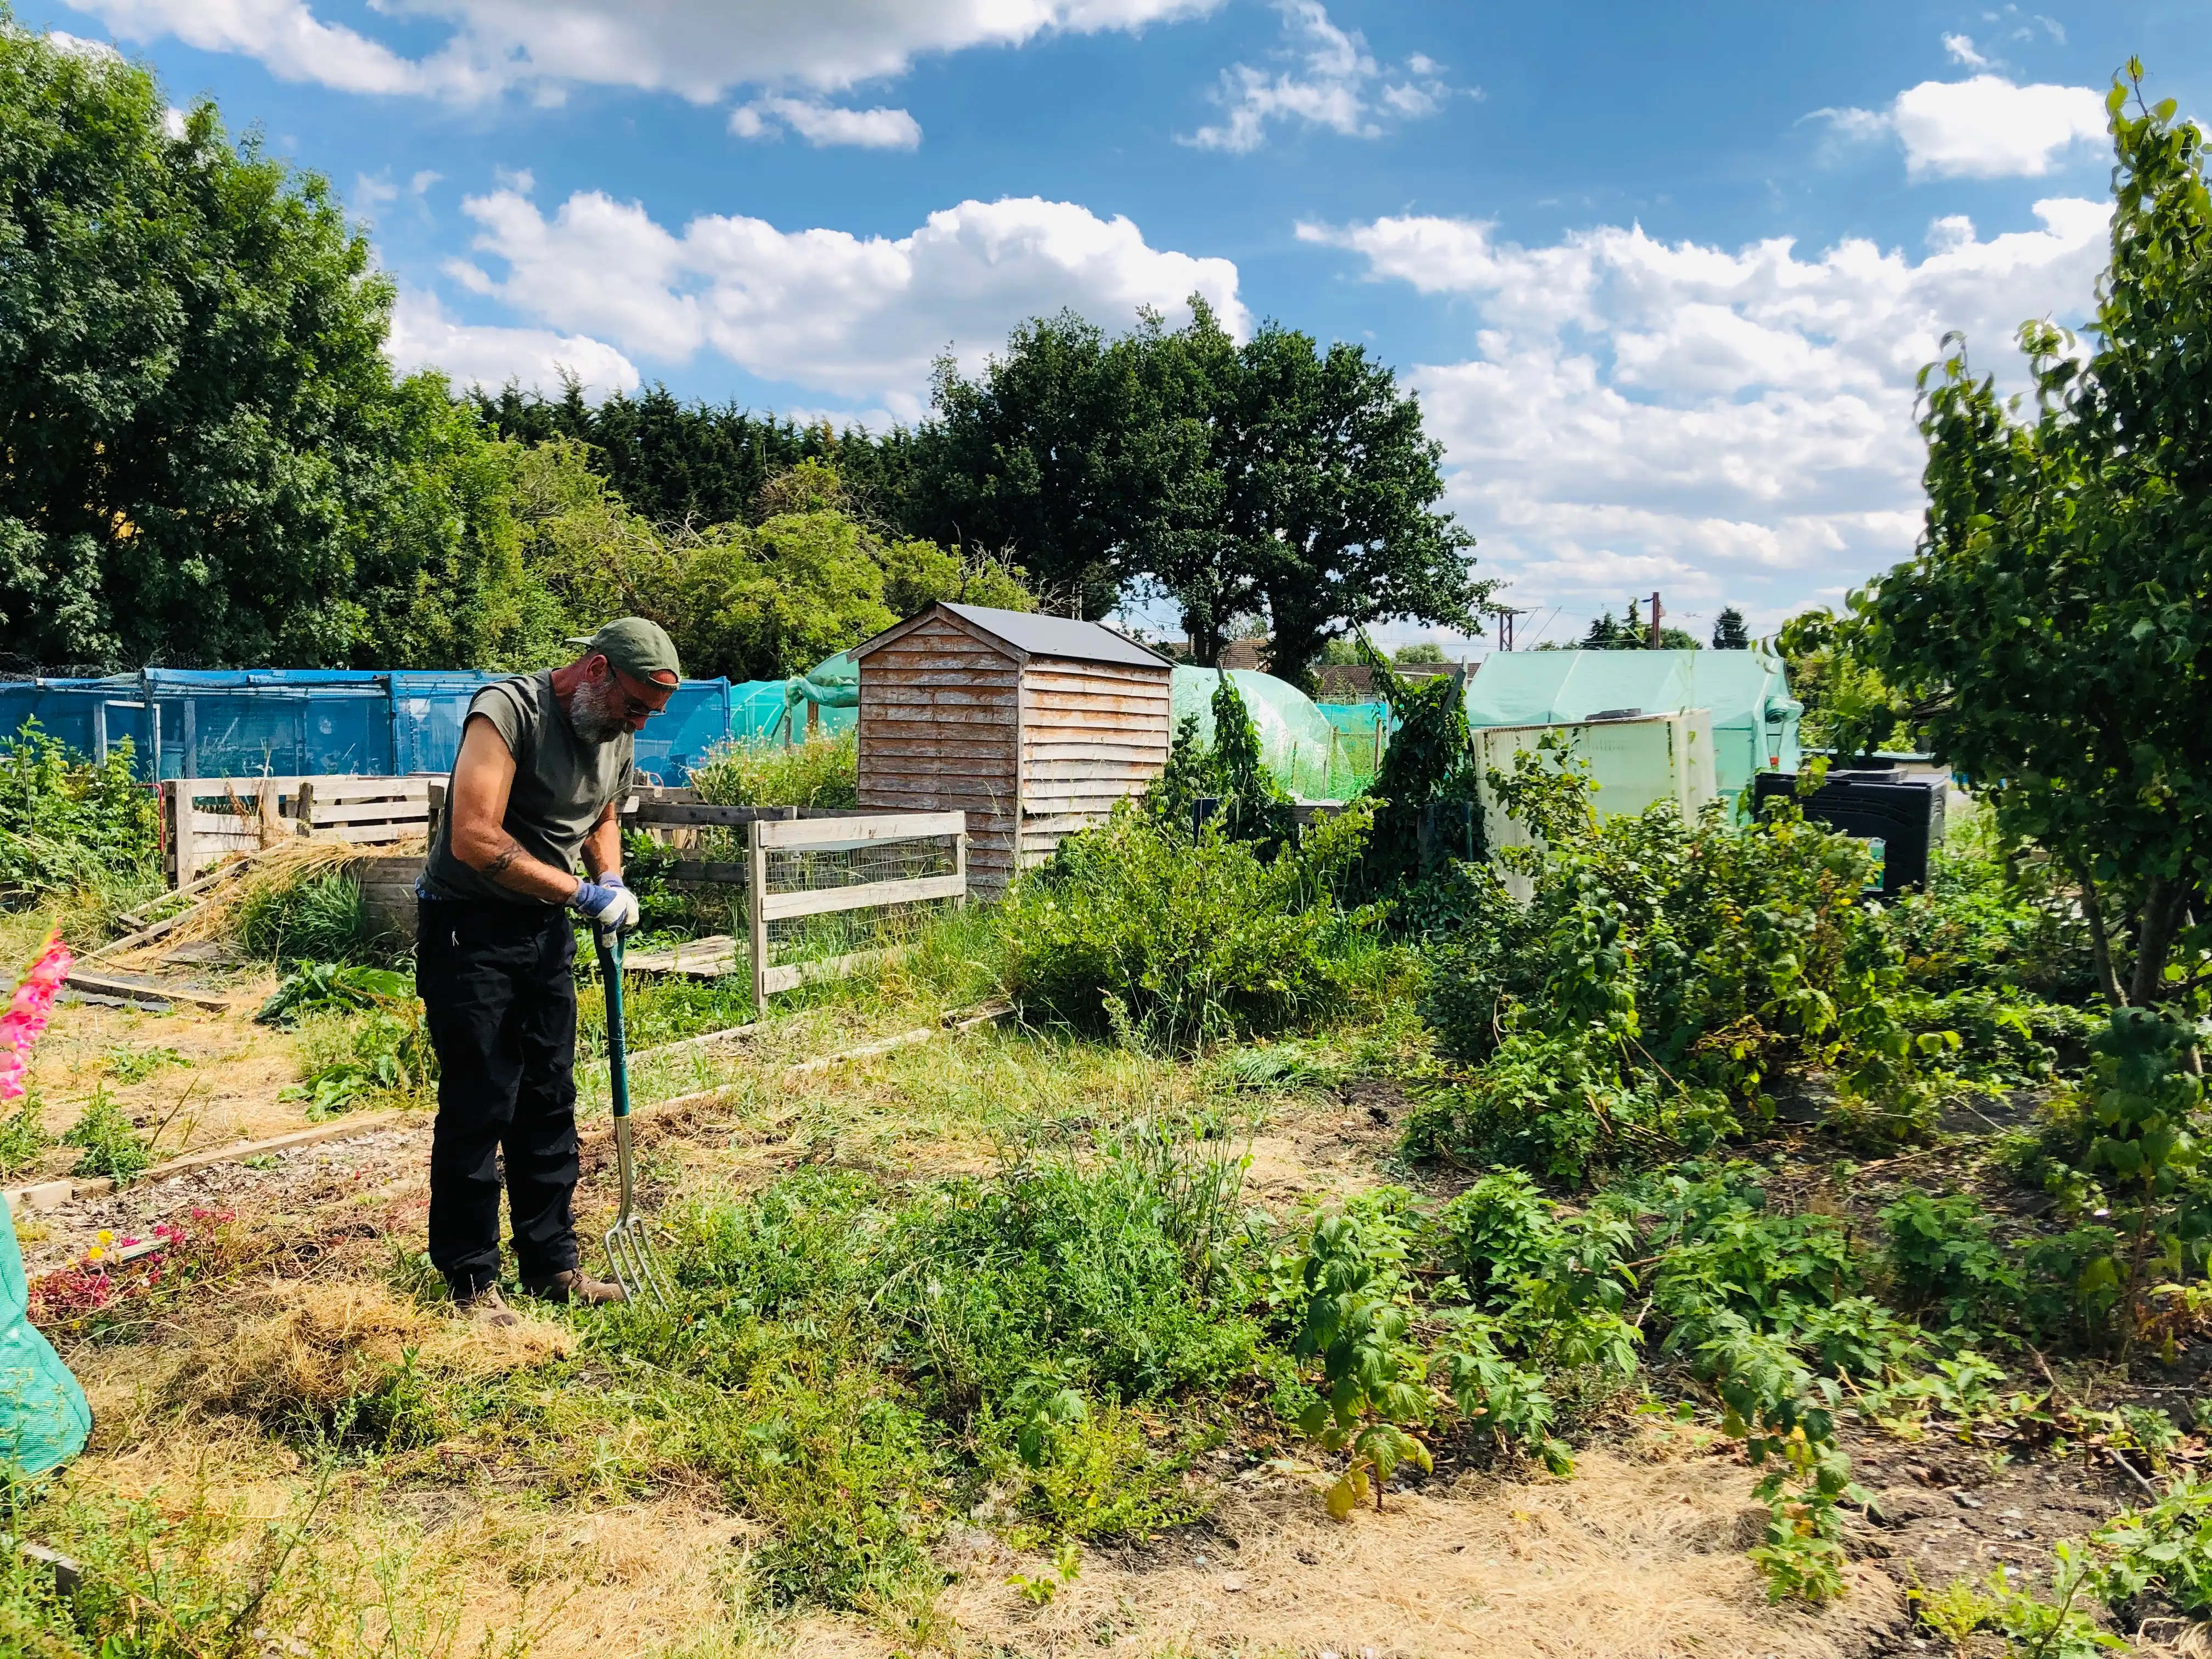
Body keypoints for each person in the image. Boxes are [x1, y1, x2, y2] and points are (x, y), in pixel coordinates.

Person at [416, 619, 679, 1325]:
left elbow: (603, 812)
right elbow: (473, 837)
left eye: (648, 715)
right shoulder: (508, 713)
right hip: (468, 927)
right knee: (483, 1101)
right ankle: (472, 1281)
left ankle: (552, 1264)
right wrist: (579, 894)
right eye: (633, 707)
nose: (638, 724)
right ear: (594, 670)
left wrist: (612, 879)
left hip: (542, 928)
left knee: (547, 1095)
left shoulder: (611, 732)